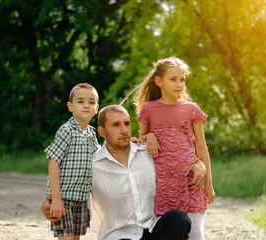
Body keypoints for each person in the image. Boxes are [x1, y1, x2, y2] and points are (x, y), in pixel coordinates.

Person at [43, 105, 207, 240]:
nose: (124, 130)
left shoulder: (148, 152)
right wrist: (50, 201)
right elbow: (70, 185)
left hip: (153, 230)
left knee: (178, 219)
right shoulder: (92, 163)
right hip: (118, 235)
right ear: (101, 131)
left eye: (127, 124)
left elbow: (179, 161)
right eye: (116, 125)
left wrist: (199, 164)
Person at [134, 57, 215, 240]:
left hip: (190, 182)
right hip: (163, 184)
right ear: (159, 81)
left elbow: (201, 147)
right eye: (173, 79)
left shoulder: (192, 109)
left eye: (182, 79)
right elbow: (140, 142)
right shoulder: (149, 109)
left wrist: (208, 184)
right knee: (175, 231)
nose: (179, 84)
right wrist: (150, 136)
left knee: (195, 234)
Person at [44, 83, 100, 239]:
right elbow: (53, 162)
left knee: (75, 238)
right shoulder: (66, 130)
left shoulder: (92, 134)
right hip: (64, 198)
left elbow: (100, 156)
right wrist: (56, 198)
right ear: (70, 106)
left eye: (91, 102)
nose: (86, 106)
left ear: (96, 108)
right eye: (80, 101)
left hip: (81, 198)